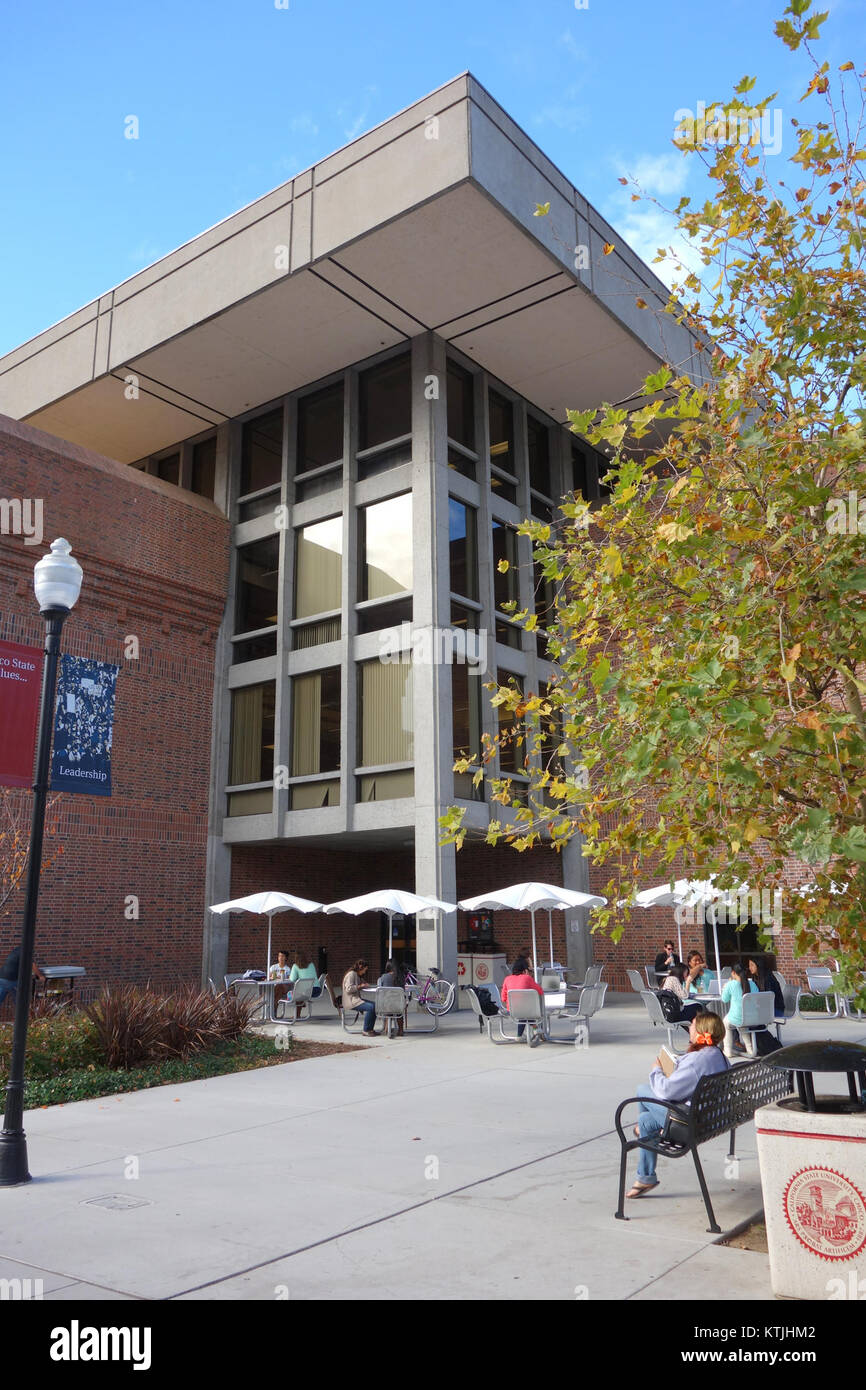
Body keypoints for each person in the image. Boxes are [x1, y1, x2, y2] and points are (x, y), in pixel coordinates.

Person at [627, 1011, 729, 1197]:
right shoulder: (718, 1055)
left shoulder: (696, 1061)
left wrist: (657, 1070)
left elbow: (667, 1091)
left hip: (688, 1123)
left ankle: (649, 1139)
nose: (689, 1027)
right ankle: (645, 1178)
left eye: (692, 1024)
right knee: (644, 1120)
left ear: (700, 1032)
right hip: (711, 1118)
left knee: (642, 1090)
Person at [720, 961, 758, 1057]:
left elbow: (724, 999)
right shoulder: (752, 984)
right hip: (752, 1017)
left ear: (733, 973)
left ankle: (727, 1050)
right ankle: (750, 1049)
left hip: (737, 1017)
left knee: (725, 1023)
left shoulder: (731, 984)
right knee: (743, 1025)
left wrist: (725, 987)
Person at [501, 955, 543, 1037]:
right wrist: (529, 976)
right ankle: (533, 1028)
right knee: (525, 1011)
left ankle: (522, 1034)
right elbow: (540, 991)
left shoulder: (507, 979)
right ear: (525, 970)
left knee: (522, 1012)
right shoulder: (527, 978)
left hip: (512, 1010)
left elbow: (503, 998)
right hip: (528, 1010)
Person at [342, 958, 376, 1035]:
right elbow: (349, 989)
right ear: (361, 968)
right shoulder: (351, 974)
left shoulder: (356, 975)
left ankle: (370, 1029)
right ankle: (366, 1030)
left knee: (375, 1005)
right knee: (371, 1007)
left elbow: (359, 983)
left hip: (355, 999)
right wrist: (360, 986)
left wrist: (363, 984)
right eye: (365, 970)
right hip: (350, 1001)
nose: (365, 972)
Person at [747, 954, 785, 1019]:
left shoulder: (768, 978)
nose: (750, 968)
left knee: (750, 1013)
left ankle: (761, 1028)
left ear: (758, 965)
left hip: (775, 1009)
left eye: (752, 965)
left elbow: (768, 998)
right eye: (749, 965)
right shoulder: (756, 977)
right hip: (765, 1008)